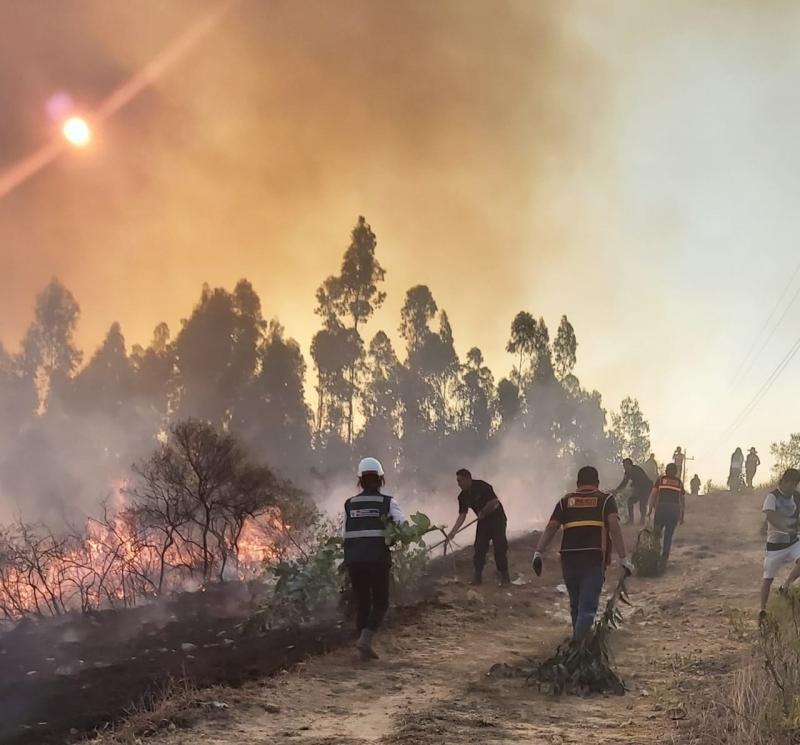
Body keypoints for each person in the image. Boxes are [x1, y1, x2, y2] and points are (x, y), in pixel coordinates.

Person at [532, 466, 634, 640]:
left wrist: (538, 552)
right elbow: (614, 528)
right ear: (597, 483)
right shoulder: (606, 500)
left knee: (576, 606)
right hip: (592, 560)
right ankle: (578, 647)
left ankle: (577, 642)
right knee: (587, 609)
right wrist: (624, 559)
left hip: (568, 560)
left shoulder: (565, 502)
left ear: (577, 483)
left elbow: (551, 528)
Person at [343, 457, 406, 661]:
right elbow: (402, 527)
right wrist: (395, 538)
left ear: (360, 480)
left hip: (354, 561)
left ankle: (362, 648)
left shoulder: (350, 504)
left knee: (363, 602)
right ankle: (366, 641)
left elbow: (345, 533)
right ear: (381, 479)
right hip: (377, 559)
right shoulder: (388, 502)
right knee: (380, 602)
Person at [447, 469, 510, 586]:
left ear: (467, 479)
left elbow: (495, 502)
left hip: (497, 519)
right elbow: (462, 515)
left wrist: (484, 511)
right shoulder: (462, 496)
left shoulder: (482, 486)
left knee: (499, 548)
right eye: (457, 481)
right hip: (483, 522)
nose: (458, 484)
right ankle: (477, 577)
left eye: (460, 481)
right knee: (479, 548)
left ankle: (505, 577)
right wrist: (453, 532)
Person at [760, 468, 800, 618]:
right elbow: (770, 516)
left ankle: (786, 586)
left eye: (795, 484)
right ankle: (762, 610)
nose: (792, 487)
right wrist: (785, 528)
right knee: (768, 579)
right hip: (775, 546)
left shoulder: (796, 497)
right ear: (783, 481)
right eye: (790, 484)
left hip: (793, 542)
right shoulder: (772, 497)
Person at [648, 463, 685, 570]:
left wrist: (650, 509)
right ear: (676, 472)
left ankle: (654, 555)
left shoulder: (660, 480)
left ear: (666, 471)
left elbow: (654, 494)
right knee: (668, 536)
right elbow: (682, 500)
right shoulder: (679, 482)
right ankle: (664, 559)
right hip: (674, 511)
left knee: (656, 533)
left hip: (661, 509)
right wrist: (682, 515)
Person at [612, 458, 654, 525]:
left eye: (625, 465)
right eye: (623, 466)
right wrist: (616, 490)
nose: (624, 467)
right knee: (630, 501)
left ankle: (642, 520)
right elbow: (624, 483)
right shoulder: (627, 472)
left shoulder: (637, 470)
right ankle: (631, 520)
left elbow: (640, 483)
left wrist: (633, 490)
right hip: (639, 488)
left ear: (630, 465)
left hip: (646, 488)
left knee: (643, 503)